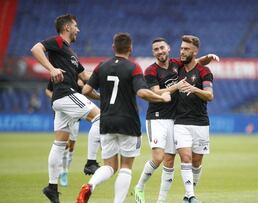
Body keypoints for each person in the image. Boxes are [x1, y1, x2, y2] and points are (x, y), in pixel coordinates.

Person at [76, 32, 171, 203]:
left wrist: (102, 98)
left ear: (114, 47)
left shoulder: (101, 66)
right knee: (126, 167)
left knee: (109, 166)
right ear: (130, 48)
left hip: (106, 121)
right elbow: (142, 92)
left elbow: (85, 90)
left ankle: (90, 185)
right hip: (128, 122)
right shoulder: (133, 67)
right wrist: (161, 97)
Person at [134, 37, 219, 203]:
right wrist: (177, 86)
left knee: (169, 160)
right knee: (158, 158)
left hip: (174, 119)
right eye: (156, 49)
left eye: (162, 48)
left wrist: (208, 57)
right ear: (153, 53)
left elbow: (195, 62)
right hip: (157, 118)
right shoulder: (150, 71)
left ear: (168, 49)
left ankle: (161, 200)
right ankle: (139, 186)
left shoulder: (176, 64)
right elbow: (156, 92)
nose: (159, 51)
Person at [30, 14, 101, 203]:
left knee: (60, 143)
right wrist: (51, 69)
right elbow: (36, 48)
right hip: (65, 94)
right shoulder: (58, 42)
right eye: (76, 26)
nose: (78, 30)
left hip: (63, 100)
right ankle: (91, 162)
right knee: (101, 118)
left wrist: (106, 93)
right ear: (67, 27)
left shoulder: (71, 53)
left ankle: (52, 187)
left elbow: (86, 78)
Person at [175, 35, 214, 203]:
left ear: (195, 51)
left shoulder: (204, 72)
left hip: (200, 122)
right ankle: (191, 196)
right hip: (180, 122)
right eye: (181, 48)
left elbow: (209, 95)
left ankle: (188, 195)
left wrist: (193, 89)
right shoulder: (176, 67)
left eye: (186, 49)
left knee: (196, 162)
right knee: (185, 157)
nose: (182, 51)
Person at [45, 79, 101, 187]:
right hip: (63, 111)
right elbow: (48, 90)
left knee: (71, 146)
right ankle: (58, 174)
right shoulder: (59, 74)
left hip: (77, 114)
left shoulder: (79, 78)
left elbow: (85, 92)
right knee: (62, 144)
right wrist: (55, 97)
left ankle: (65, 171)